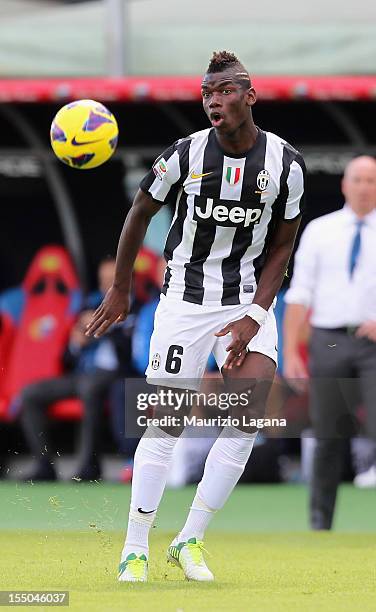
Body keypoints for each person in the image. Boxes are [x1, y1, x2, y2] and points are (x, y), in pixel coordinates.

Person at [86, 50, 306, 582]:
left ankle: (190, 539)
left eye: (225, 91)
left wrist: (256, 313)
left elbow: (283, 245)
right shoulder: (183, 156)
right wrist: (120, 289)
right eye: (207, 93)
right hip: (184, 302)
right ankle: (135, 546)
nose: (214, 101)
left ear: (249, 96)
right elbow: (140, 212)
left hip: (246, 300)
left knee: (246, 419)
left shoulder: (285, 164)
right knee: (166, 424)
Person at [283, 155, 376, 529]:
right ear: (345, 184)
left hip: (372, 344)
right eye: (358, 179)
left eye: (371, 180)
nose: (364, 187)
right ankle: (321, 524)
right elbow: (299, 294)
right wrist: (290, 350)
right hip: (329, 341)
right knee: (328, 435)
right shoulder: (320, 231)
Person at [20, 308, 123, 481]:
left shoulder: (130, 305)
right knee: (30, 394)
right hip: (80, 375)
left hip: (112, 375)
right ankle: (44, 465)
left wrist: (106, 329)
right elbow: (66, 359)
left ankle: (88, 467)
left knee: (89, 389)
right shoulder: (90, 303)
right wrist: (77, 342)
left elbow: (130, 349)